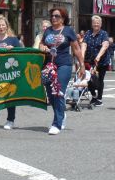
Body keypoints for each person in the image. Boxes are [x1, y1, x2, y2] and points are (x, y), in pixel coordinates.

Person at [39, 7, 85, 135]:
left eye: (57, 16)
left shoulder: (68, 31)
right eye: (52, 16)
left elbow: (76, 49)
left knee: (58, 91)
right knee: (51, 94)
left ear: (63, 18)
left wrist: (81, 65)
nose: (54, 18)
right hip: (49, 65)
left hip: (64, 64)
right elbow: (41, 44)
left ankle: (56, 124)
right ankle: (61, 114)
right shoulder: (48, 30)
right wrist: (43, 47)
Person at [79, 15, 109, 107]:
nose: (96, 24)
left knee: (100, 79)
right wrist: (82, 57)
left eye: (98, 23)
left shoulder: (103, 34)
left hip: (102, 61)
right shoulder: (88, 33)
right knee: (88, 78)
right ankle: (93, 95)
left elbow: (105, 45)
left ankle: (99, 99)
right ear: (92, 24)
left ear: (100, 24)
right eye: (94, 23)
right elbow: (84, 45)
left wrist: (99, 56)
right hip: (90, 60)